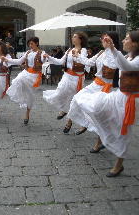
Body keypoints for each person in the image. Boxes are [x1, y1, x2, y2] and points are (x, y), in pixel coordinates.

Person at [76, 31, 139, 177]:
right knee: (94, 107)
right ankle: (102, 139)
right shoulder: (126, 56)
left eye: (127, 39)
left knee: (124, 132)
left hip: (130, 100)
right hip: (119, 96)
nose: (123, 40)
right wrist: (108, 49)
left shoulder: (136, 59)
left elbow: (127, 67)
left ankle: (119, 164)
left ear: (135, 44)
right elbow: (118, 63)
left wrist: (112, 48)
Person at [67, 32, 119, 136]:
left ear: (112, 41)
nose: (102, 40)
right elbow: (90, 62)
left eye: (105, 39)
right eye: (102, 38)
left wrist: (111, 49)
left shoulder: (116, 54)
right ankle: (86, 124)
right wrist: (77, 56)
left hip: (106, 87)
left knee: (97, 111)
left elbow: (112, 66)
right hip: (95, 84)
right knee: (77, 99)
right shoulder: (101, 52)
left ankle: (102, 137)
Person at [43, 32, 88, 133]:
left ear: (81, 39)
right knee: (60, 92)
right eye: (73, 36)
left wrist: (76, 55)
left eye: (75, 37)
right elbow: (60, 62)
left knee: (74, 100)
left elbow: (83, 61)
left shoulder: (83, 50)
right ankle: (64, 109)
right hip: (67, 76)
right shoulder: (69, 50)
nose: (73, 38)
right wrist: (49, 57)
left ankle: (69, 121)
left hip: (77, 78)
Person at [4, 37, 46, 125]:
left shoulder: (42, 53)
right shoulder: (28, 52)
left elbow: (43, 59)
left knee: (30, 95)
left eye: (32, 44)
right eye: (29, 44)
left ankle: (27, 113)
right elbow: (19, 61)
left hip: (34, 77)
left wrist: (44, 58)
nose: (30, 46)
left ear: (37, 43)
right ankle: (20, 97)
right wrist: (8, 60)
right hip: (26, 73)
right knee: (17, 80)